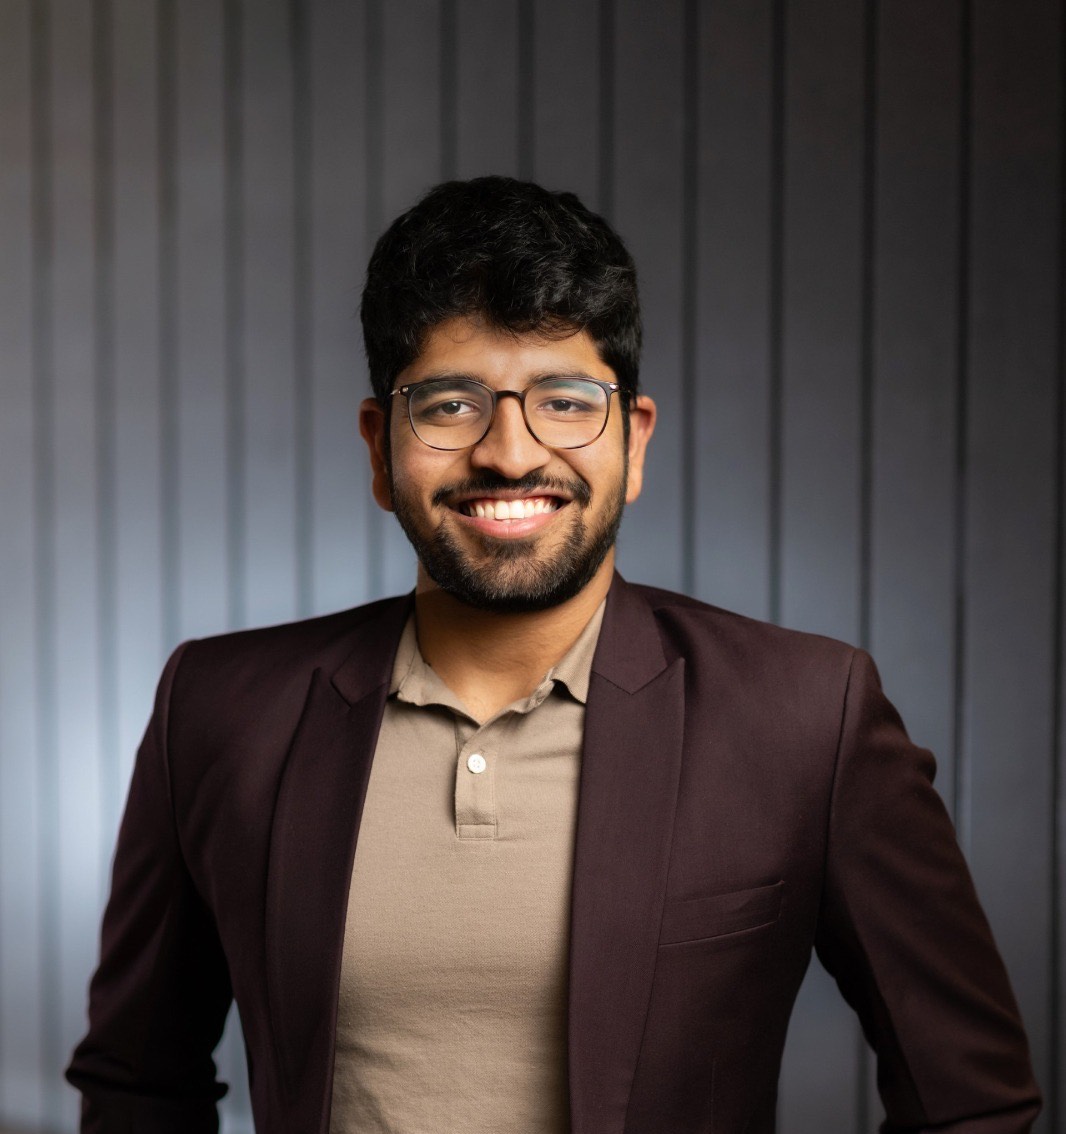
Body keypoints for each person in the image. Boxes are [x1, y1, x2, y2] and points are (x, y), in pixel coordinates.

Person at [67, 176, 1040, 1134]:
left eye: (565, 401)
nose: (509, 452)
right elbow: (137, 1085)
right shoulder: (222, 708)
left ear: (634, 439)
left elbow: (970, 1103)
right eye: (449, 405)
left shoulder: (803, 715)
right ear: (378, 448)